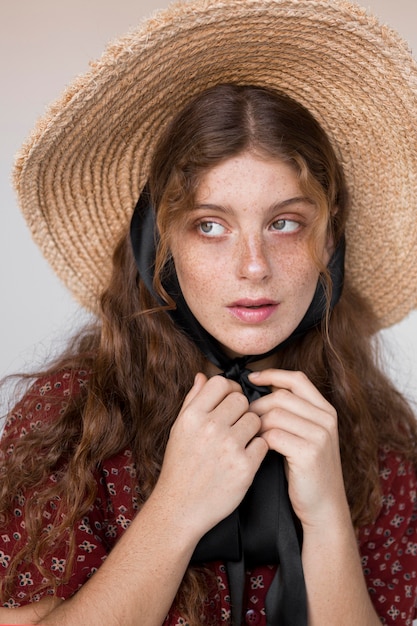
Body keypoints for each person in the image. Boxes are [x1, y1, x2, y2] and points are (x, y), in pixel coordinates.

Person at [1, 0, 417, 625]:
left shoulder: (375, 436)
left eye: (284, 223)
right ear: (159, 245)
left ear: (328, 243)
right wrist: (176, 508)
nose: (254, 266)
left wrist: (328, 517)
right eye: (210, 225)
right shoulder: (72, 421)